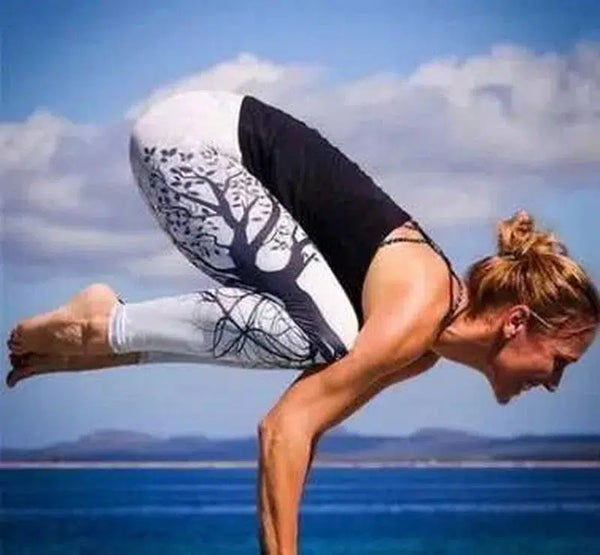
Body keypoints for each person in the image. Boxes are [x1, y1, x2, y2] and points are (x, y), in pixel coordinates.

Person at [6, 90, 599, 554]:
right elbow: (282, 428)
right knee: (328, 336)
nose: (554, 382)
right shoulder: (417, 309)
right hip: (190, 144)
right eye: (560, 361)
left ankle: (104, 336)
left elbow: (304, 427)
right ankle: (108, 325)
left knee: (327, 339)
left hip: (194, 154)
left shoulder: (419, 349)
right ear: (516, 322)